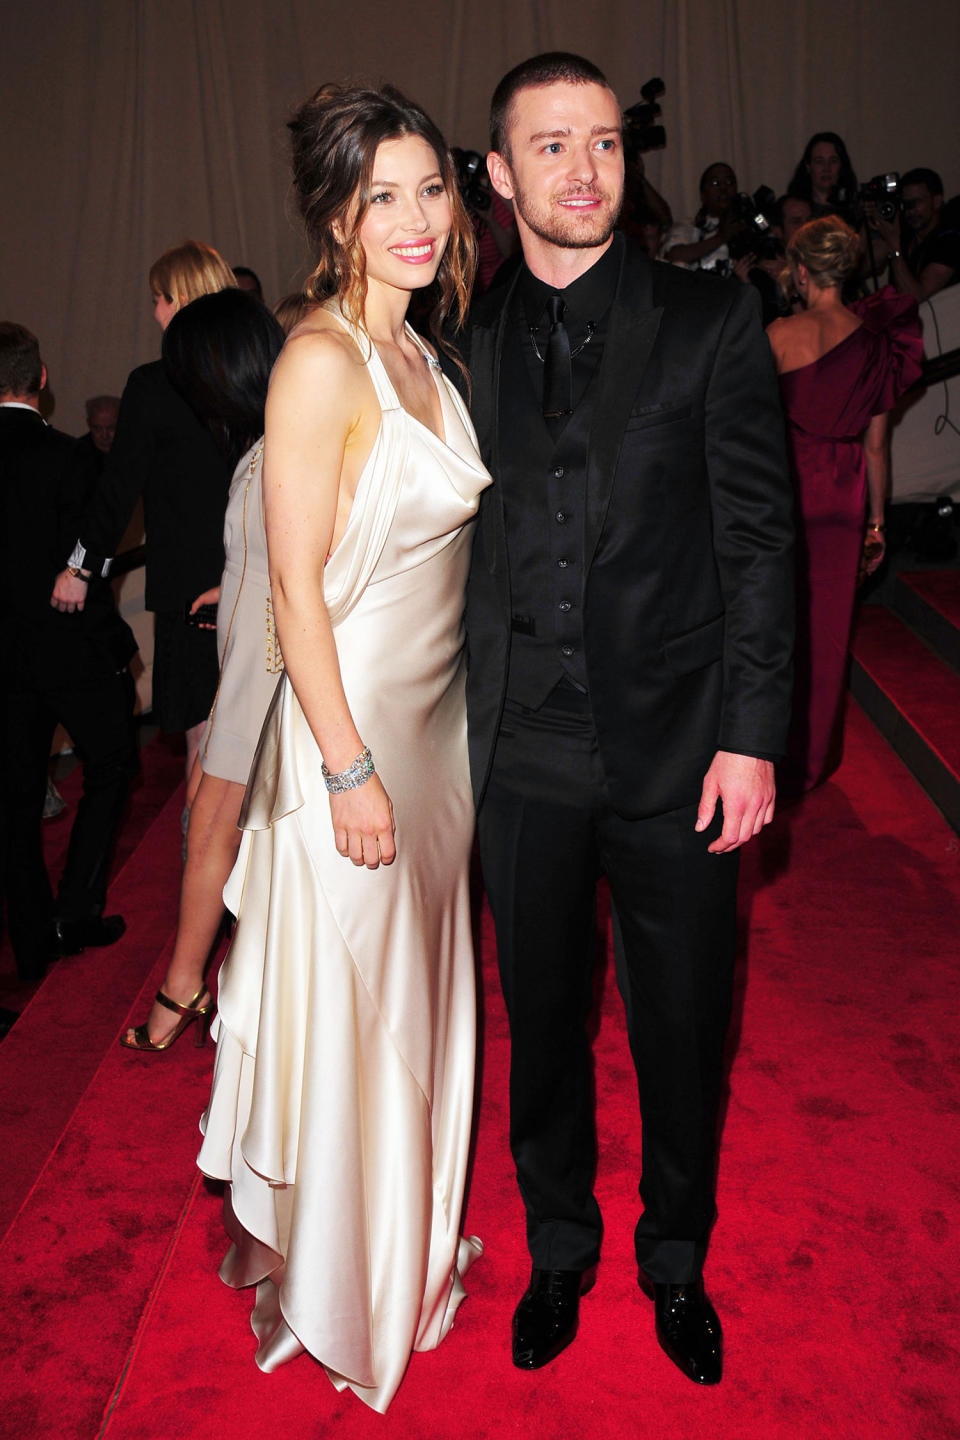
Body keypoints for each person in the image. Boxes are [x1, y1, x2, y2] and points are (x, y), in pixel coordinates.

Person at [460, 53, 794, 1386]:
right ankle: (558, 1246)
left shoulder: (710, 318)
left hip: (680, 750)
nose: (585, 171)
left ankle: (674, 1259)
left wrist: (754, 730)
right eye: (549, 147)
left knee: (680, 1022)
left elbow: (762, 539)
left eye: (602, 143)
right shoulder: (462, 338)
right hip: (519, 756)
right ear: (499, 174)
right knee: (540, 1025)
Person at [196, 83, 489, 1412]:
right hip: (355, 747)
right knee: (357, 1014)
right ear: (335, 217)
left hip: (438, 744)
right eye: (384, 196)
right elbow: (297, 590)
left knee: (419, 1001)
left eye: (431, 187)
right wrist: (344, 766)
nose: (417, 218)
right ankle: (343, 1281)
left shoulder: (430, 354)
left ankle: (407, 1248)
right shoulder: (321, 359)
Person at [122, 289, 286, 1050]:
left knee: (212, 823)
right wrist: (239, 581)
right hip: (252, 651)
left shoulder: (277, 447)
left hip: (268, 664)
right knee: (220, 824)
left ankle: (181, 991)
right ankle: (220, 987)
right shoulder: (267, 442)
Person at [50, 241, 237, 784]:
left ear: (180, 300)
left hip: (188, 585)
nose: (154, 312)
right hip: (256, 574)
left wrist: (78, 569)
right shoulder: (257, 372)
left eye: (159, 299)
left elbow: (117, 491)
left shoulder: (154, 384)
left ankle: (206, 863)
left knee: (204, 738)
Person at [0, 323, 138, 979]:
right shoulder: (72, 458)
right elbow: (96, 553)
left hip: (4, 659)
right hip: (71, 650)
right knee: (112, 765)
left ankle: (30, 941)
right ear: (43, 380)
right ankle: (74, 908)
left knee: (16, 799)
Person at [767, 217, 923, 792]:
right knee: (831, 629)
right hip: (844, 494)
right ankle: (812, 760)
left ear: (802, 270)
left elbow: (750, 435)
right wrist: (877, 522)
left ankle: (771, 750)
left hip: (785, 493)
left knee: (776, 624)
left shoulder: (779, 335)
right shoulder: (876, 342)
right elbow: (877, 447)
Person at [868, 168, 960, 302]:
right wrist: (870, 218)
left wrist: (894, 248)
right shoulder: (904, 234)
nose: (910, 211)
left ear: (937, 201)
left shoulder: (950, 241)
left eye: (917, 202)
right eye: (906, 204)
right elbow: (866, 267)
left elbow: (915, 297)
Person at [662, 161, 746, 276]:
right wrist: (722, 237)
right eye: (716, 183)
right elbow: (674, 255)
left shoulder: (746, 226)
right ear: (703, 194)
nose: (723, 189)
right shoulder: (689, 226)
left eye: (729, 182)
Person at [787, 132, 859, 224]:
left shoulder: (856, 210)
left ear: (841, 166)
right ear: (808, 166)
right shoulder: (795, 210)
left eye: (833, 161)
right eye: (819, 161)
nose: (826, 168)